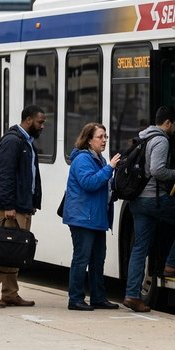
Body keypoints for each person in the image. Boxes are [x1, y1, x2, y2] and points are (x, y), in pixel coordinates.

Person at [0, 105, 45, 308]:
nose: (42, 126)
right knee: (10, 250)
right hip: (12, 206)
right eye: (40, 122)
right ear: (28, 120)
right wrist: (9, 206)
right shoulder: (13, 141)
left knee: (16, 249)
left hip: (22, 204)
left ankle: (10, 293)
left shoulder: (25, 141)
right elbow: (5, 175)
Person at [123, 106, 175, 313]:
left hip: (137, 200)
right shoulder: (161, 139)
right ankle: (171, 264)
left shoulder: (143, 137)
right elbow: (157, 170)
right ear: (168, 123)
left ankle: (132, 295)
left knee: (139, 249)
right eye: (174, 125)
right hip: (154, 200)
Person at [63, 123, 121, 311]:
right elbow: (89, 183)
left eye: (105, 137)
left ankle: (98, 297)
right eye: (100, 137)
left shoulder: (99, 159)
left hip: (95, 218)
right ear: (89, 140)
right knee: (82, 258)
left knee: (98, 259)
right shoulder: (82, 160)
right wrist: (110, 168)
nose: (104, 140)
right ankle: (76, 299)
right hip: (83, 218)